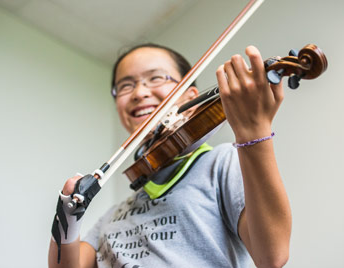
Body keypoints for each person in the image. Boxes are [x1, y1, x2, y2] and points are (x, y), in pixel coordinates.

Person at [48, 43, 292, 268]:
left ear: (191, 97)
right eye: (125, 85)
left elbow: (271, 255)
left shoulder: (220, 163)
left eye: (155, 78)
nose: (139, 92)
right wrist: (67, 216)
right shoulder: (114, 215)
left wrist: (254, 133)